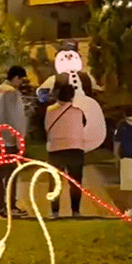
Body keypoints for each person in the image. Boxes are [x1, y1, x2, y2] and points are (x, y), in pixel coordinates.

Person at [0, 66, 29, 218]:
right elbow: (15, 117)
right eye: (21, 79)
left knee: (0, 173)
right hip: (9, 139)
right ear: (16, 78)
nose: (21, 83)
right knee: (11, 173)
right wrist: (19, 138)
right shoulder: (12, 93)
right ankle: (10, 206)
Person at [45, 84, 85, 218]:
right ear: (71, 97)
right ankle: (75, 211)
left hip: (55, 149)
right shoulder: (78, 112)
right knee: (75, 182)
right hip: (75, 148)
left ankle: (55, 211)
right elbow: (82, 125)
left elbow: (46, 127)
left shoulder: (50, 110)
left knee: (55, 181)